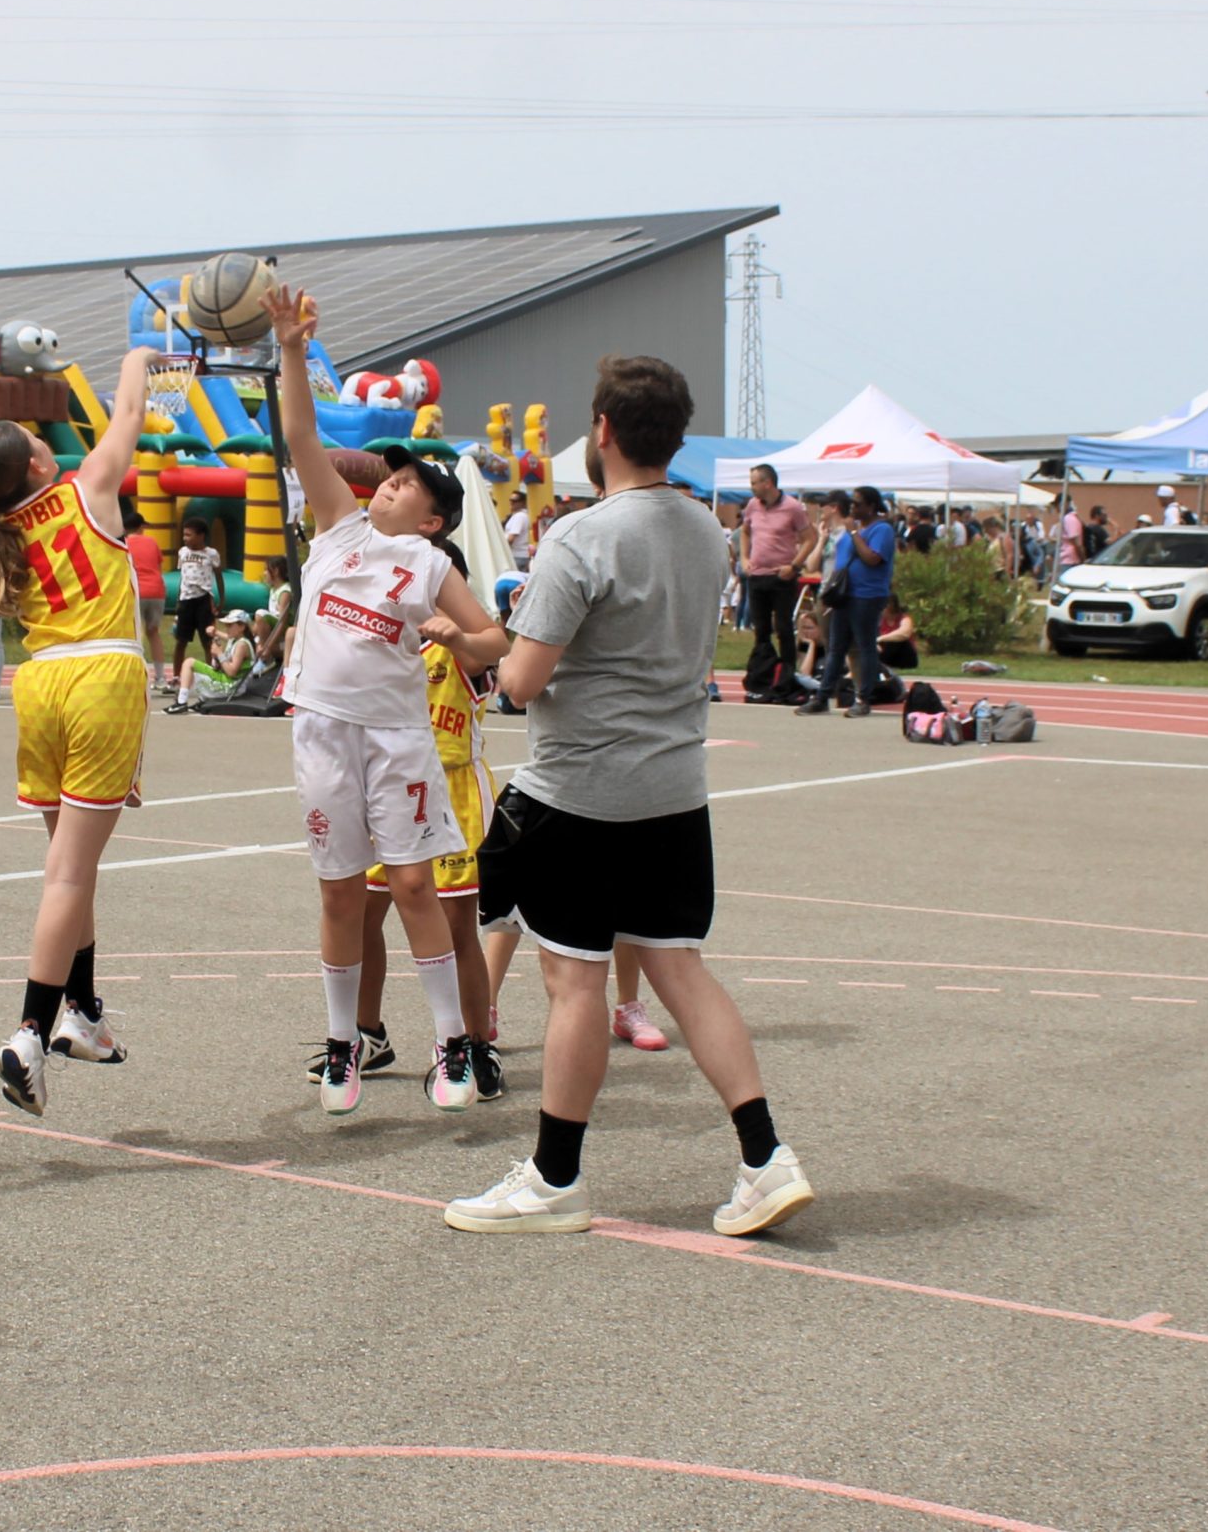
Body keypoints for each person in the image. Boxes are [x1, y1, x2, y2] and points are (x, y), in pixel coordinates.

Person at [444, 354, 811, 1239]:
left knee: (573, 981)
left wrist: (480, 649)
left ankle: (554, 1177)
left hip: (581, 791)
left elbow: (524, 679)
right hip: (674, 789)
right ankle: (764, 1155)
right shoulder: (708, 531)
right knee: (681, 967)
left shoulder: (580, 537)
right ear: (675, 436)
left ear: (602, 430)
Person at [268, 285, 505, 1120]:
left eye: (407, 484)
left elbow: (496, 642)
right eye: (390, 476)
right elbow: (301, 435)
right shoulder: (338, 527)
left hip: (398, 740)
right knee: (339, 892)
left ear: (434, 520)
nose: (389, 485)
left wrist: (456, 634)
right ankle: (343, 1043)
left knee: (411, 886)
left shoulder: (432, 567)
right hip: (322, 731)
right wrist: (291, 349)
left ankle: (451, 1042)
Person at [0, 346, 154, 1116]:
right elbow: (129, 412)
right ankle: (30, 1032)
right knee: (69, 873)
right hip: (102, 675)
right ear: (39, 465)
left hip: (39, 683)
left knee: (73, 865)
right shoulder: (87, 487)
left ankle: (86, 1013)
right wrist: (138, 357)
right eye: (38, 439)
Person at [319, 543, 514, 1102]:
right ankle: (368, 1035)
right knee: (362, 914)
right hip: (388, 789)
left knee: (455, 927)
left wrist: (462, 632)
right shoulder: (383, 639)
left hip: (451, 792)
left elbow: (488, 649)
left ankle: (474, 1043)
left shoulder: (461, 643)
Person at [797, 486, 896, 718]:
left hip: (867, 595)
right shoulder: (857, 529)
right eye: (852, 503)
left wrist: (853, 533)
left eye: (858, 504)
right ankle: (822, 697)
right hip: (845, 595)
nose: (853, 507)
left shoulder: (881, 530)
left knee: (864, 646)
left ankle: (863, 698)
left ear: (871, 506)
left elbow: (872, 558)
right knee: (836, 647)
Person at [737, 464, 811, 694]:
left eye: (754, 482)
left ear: (767, 483)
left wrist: (795, 565)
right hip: (757, 575)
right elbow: (745, 531)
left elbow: (810, 538)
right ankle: (762, 672)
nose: (751, 487)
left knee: (783, 627)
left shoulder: (792, 507)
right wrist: (744, 558)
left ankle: (787, 675)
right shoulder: (753, 505)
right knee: (761, 629)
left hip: (781, 576)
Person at [165, 610, 255, 713]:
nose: (227, 628)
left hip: (231, 687)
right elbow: (226, 636)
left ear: (242, 627)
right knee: (194, 669)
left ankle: (182, 702)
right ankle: (202, 700)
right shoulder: (236, 640)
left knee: (189, 663)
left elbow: (232, 672)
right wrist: (215, 633)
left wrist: (219, 654)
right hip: (230, 684)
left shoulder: (241, 645)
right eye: (227, 625)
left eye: (230, 625)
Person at [169, 516, 222, 679]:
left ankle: (211, 677)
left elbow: (219, 577)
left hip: (203, 600)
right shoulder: (183, 552)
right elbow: (182, 578)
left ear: (201, 536)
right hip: (186, 601)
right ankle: (176, 677)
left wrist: (221, 600)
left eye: (189, 535)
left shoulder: (211, 554)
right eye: (184, 535)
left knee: (207, 641)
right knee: (181, 640)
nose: (185, 538)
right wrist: (178, 600)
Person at [123, 508, 170, 690]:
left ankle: (137, 677)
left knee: (135, 635)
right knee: (154, 632)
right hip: (156, 590)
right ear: (141, 527)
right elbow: (158, 566)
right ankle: (160, 677)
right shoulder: (152, 542)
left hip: (136, 591)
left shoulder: (124, 544)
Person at [878, 594, 921, 669]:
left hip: (905, 657)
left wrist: (880, 638)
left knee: (895, 640)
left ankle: (881, 664)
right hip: (886, 656)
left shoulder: (905, 618)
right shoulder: (879, 621)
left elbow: (904, 634)